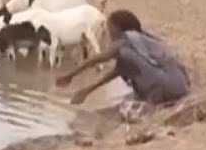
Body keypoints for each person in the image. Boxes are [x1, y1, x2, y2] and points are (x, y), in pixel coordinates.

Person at [56, 10, 189, 108]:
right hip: (180, 85)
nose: (109, 33)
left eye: (110, 29)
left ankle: (152, 101)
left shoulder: (126, 41)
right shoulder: (140, 41)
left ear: (118, 29)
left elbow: (100, 59)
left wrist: (70, 74)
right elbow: (119, 70)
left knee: (123, 53)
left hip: (166, 87)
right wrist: (87, 91)